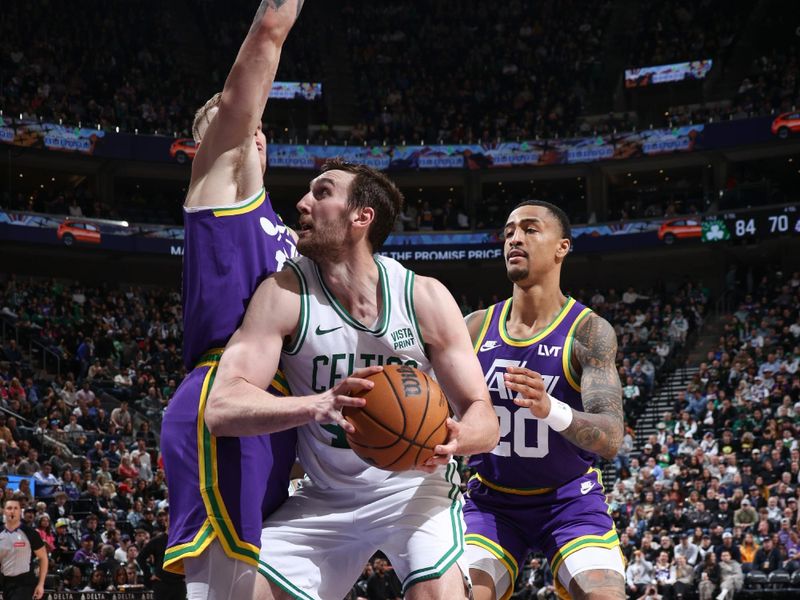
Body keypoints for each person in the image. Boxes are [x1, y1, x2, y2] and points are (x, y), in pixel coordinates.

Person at [205, 158, 500, 600]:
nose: (302, 203)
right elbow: (220, 407)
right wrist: (318, 404)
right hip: (324, 496)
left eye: (322, 193)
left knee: (440, 595)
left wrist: (455, 439)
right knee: (239, 593)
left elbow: (485, 417)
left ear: (362, 217)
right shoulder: (283, 294)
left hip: (413, 491)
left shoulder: (423, 297)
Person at [159, 1, 303, 598]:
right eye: (239, 122)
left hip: (282, 409)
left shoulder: (293, 237)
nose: (252, 128)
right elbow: (256, 63)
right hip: (225, 394)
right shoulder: (215, 194)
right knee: (228, 586)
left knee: (268, 580)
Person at [462, 200, 626, 599]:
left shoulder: (589, 331)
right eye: (508, 231)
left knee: (604, 596)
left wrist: (551, 408)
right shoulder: (475, 327)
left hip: (569, 501)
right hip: (490, 502)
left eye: (530, 229)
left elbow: (611, 438)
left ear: (562, 247)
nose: (515, 238)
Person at [0, 497, 48, 600]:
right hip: (5, 583)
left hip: (24, 584)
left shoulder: (30, 533)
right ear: (4, 511)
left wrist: (41, 584)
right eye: (9, 508)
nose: (12, 511)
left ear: (20, 511)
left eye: (15, 508)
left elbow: (43, 558)